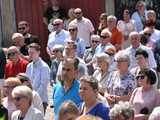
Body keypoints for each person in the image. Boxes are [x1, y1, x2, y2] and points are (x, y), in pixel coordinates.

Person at [26, 43, 50, 112]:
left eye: (32, 53)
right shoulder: (29, 66)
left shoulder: (44, 67)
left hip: (41, 100)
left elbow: (43, 85)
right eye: (29, 53)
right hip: (29, 99)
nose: (30, 55)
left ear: (38, 52)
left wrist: (33, 97)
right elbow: (27, 82)